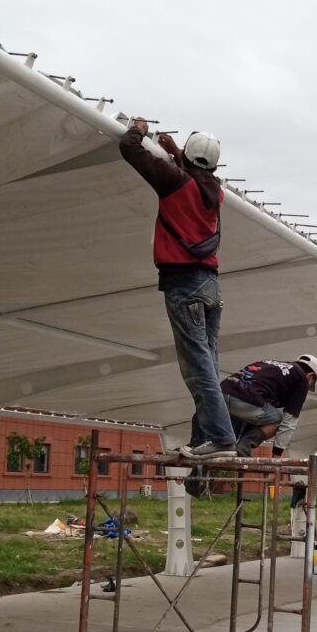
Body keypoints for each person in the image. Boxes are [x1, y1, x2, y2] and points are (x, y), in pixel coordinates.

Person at [119, 119, 237, 460]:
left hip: (183, 285)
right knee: (209, 366)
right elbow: (198, 173)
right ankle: (209, 437)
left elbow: (129, 148)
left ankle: (220, 438)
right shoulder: (216, 193)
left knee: (197, 366)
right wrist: (176, 152)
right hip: (211, 286)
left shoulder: (174, 181)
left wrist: (138, 127)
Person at [184, 355, 317, 496]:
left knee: (224, 445)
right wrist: (275, 461)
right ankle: (245, 445)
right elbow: (289, 422)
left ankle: (194, 479)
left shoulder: (274, 365)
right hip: (244, 399)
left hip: (221, 394)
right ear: (310, 376)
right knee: (277, 420)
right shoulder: (301, 380)